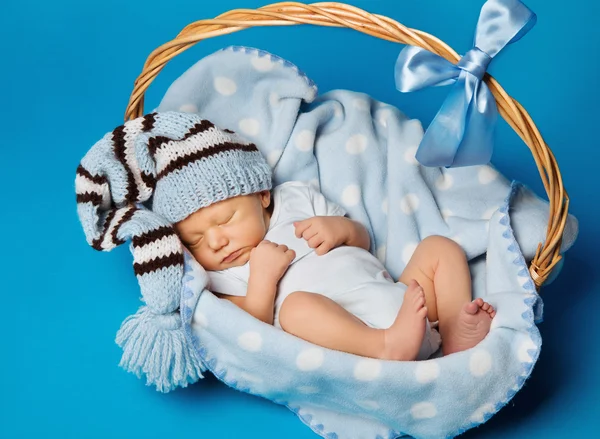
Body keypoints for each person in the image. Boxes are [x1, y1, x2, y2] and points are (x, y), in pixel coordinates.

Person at [175, 180, 496, 361]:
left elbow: (363, 241)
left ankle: (454, 334)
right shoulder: (219, 278)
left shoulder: (295, 200)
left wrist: (340, 229)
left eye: (226, 219)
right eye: (197, 240)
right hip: (355, 336)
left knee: (440, 248)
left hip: (402, 300)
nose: (216, 241)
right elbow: (250, 331)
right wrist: (262, 281)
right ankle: (384, 346)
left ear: (262, 195)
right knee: (294, 307)